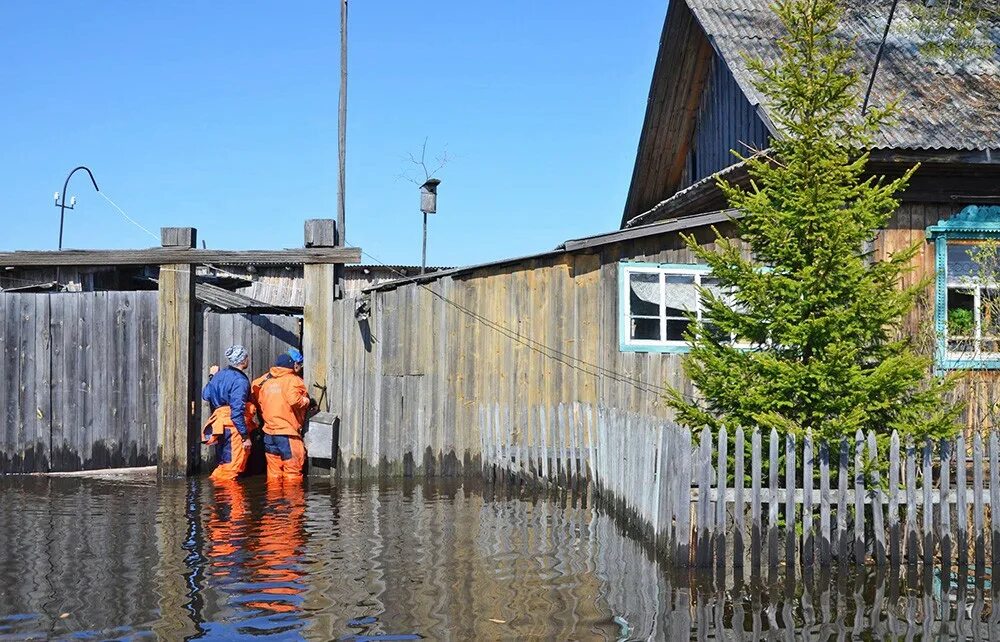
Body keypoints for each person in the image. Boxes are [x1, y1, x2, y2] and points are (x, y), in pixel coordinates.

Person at [202, 345, 257, 481]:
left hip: (220, 427)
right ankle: (231, 501)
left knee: (224, 464)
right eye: (247, 357)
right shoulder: (240, 381)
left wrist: (212, 377)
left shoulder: (218, 376)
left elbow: (205, 395)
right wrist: (245, 436)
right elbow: (236, 412)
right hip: (233, 428)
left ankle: (218, 499)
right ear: (243, 360)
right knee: (232, 467)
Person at [252, 351, 310, 480]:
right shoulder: (293, 380)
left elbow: (254, 390)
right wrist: (306, 401)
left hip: (269, 433)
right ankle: (292, 499)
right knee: (292, 472)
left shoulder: (265, 381)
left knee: (274, 473)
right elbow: (294, 400)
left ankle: (274, 499)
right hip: (287, 433)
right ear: (293, 365)